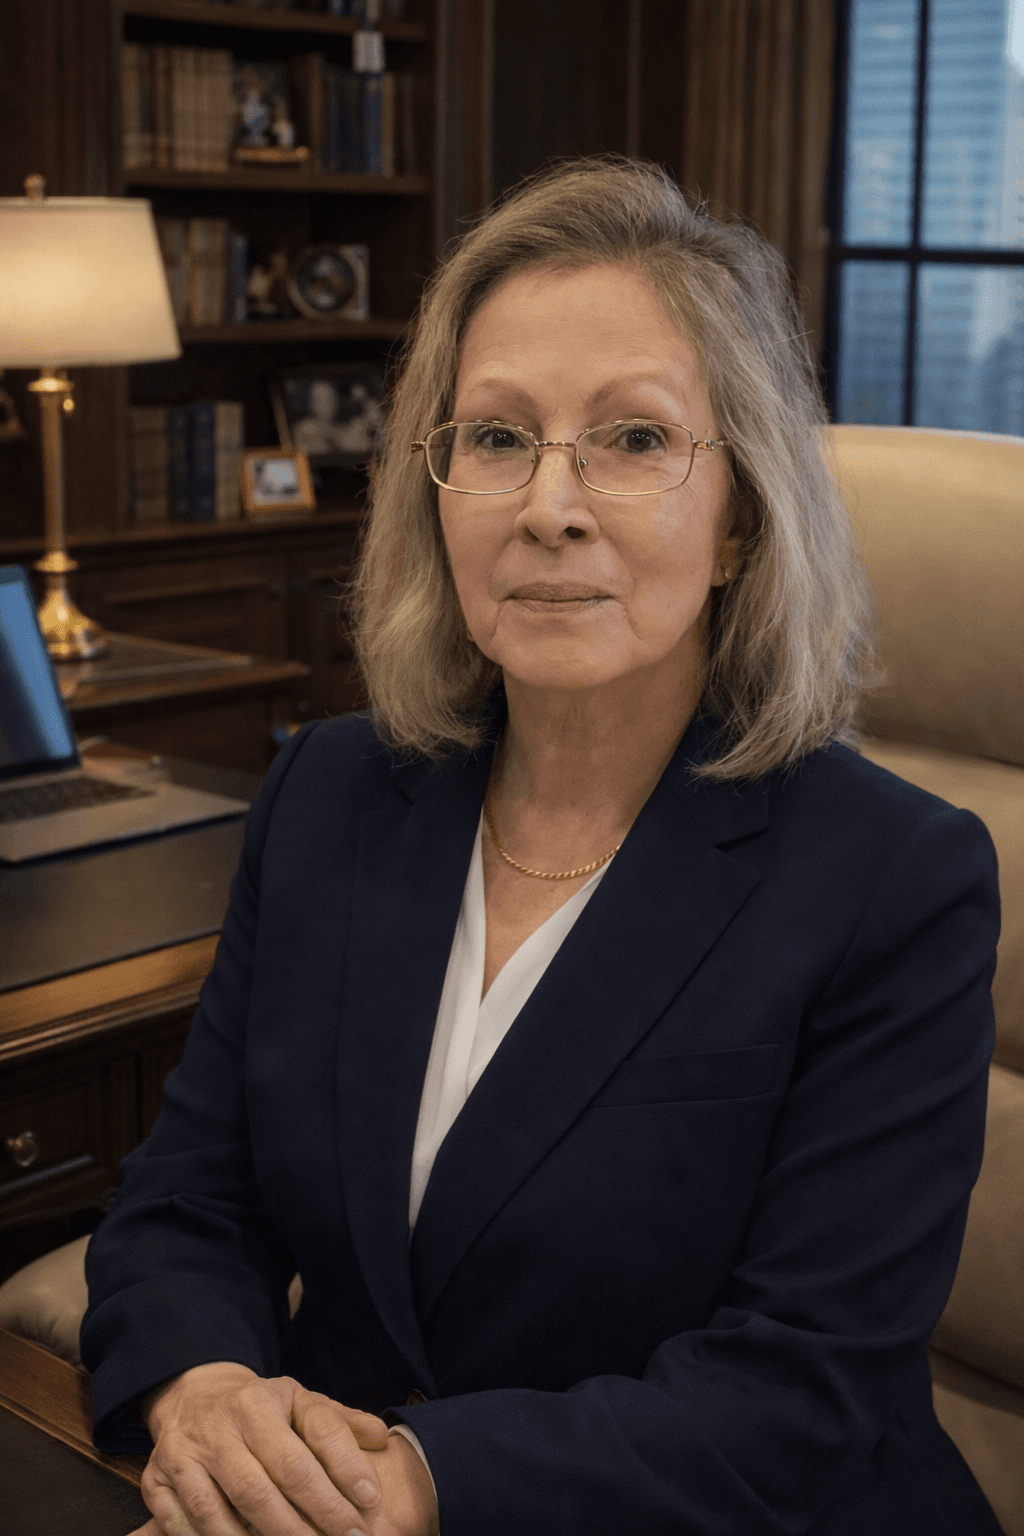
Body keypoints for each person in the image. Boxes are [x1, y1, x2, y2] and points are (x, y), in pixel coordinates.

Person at [82, 157, 1002, 1536]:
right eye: (499, 436)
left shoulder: (894, 880)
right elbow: (189, 1198)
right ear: (436, 486)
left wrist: (422, 1479)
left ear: (742, 515)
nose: (547, 506)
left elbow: (802, 1386)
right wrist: (204, 1389)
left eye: (634, 440)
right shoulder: (330, 793)